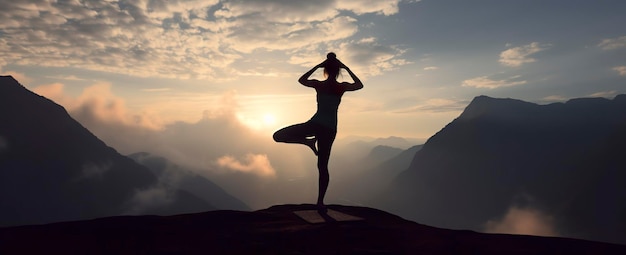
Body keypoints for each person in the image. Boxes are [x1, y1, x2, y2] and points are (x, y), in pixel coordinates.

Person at [273, 52, 363, 212]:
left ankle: (307, 141)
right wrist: (346, 68)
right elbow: (359, 84)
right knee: (323, 166)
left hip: (315, 124)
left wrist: (317, 66)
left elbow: (302, 80)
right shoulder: (340, 87)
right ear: (338, 71)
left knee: (278, 136)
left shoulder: (320, 85)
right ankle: (320, 202)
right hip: (330, 129)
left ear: (325, 70)